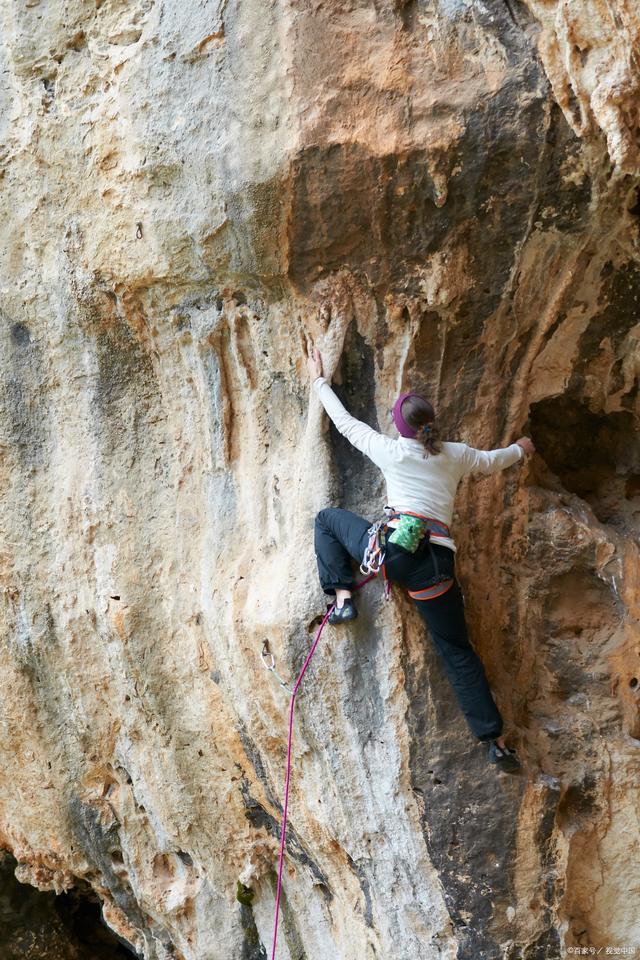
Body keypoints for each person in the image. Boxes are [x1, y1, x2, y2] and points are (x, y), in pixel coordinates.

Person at [307, 346, 535, 773]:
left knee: (327, 519)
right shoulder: (456, 454)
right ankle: (494, 740)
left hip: (394, 554)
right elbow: (494, 461)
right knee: (456, 650)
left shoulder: (392, 451)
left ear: (399, 427)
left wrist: (319, 380)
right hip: (436, 572)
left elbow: (345, 424)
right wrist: (521, 448)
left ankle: (342, 600)